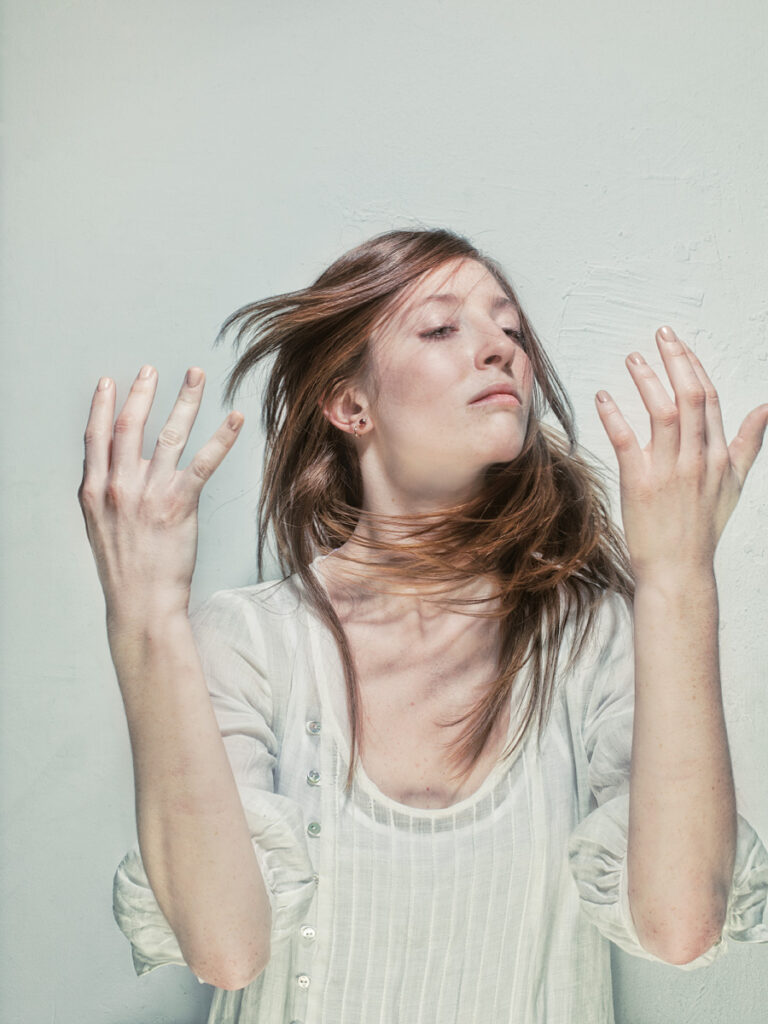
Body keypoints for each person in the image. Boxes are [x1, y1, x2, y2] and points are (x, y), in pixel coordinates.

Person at [78, 228, 768, 1024]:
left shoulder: (590, 637)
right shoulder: (250, 640)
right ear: (350, 403)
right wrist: (146, 616)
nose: (499, 349)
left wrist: (681, 577)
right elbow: (226, 949)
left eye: (510, 330)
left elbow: (682, 927)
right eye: (443, 328)